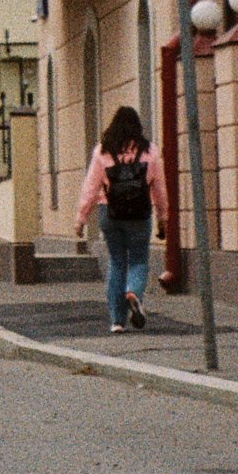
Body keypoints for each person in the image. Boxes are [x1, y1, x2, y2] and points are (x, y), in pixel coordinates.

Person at [74, 103, 168, 333]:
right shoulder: (150, 151)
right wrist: (162, 216)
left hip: (110, 213)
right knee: (138, 260)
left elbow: (91, 187)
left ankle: (117, 321)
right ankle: (134, 292)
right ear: (137, 127)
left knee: (117, 262)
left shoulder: (102, 151)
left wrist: (81, 218)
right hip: (139, 213)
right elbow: (159, 188)